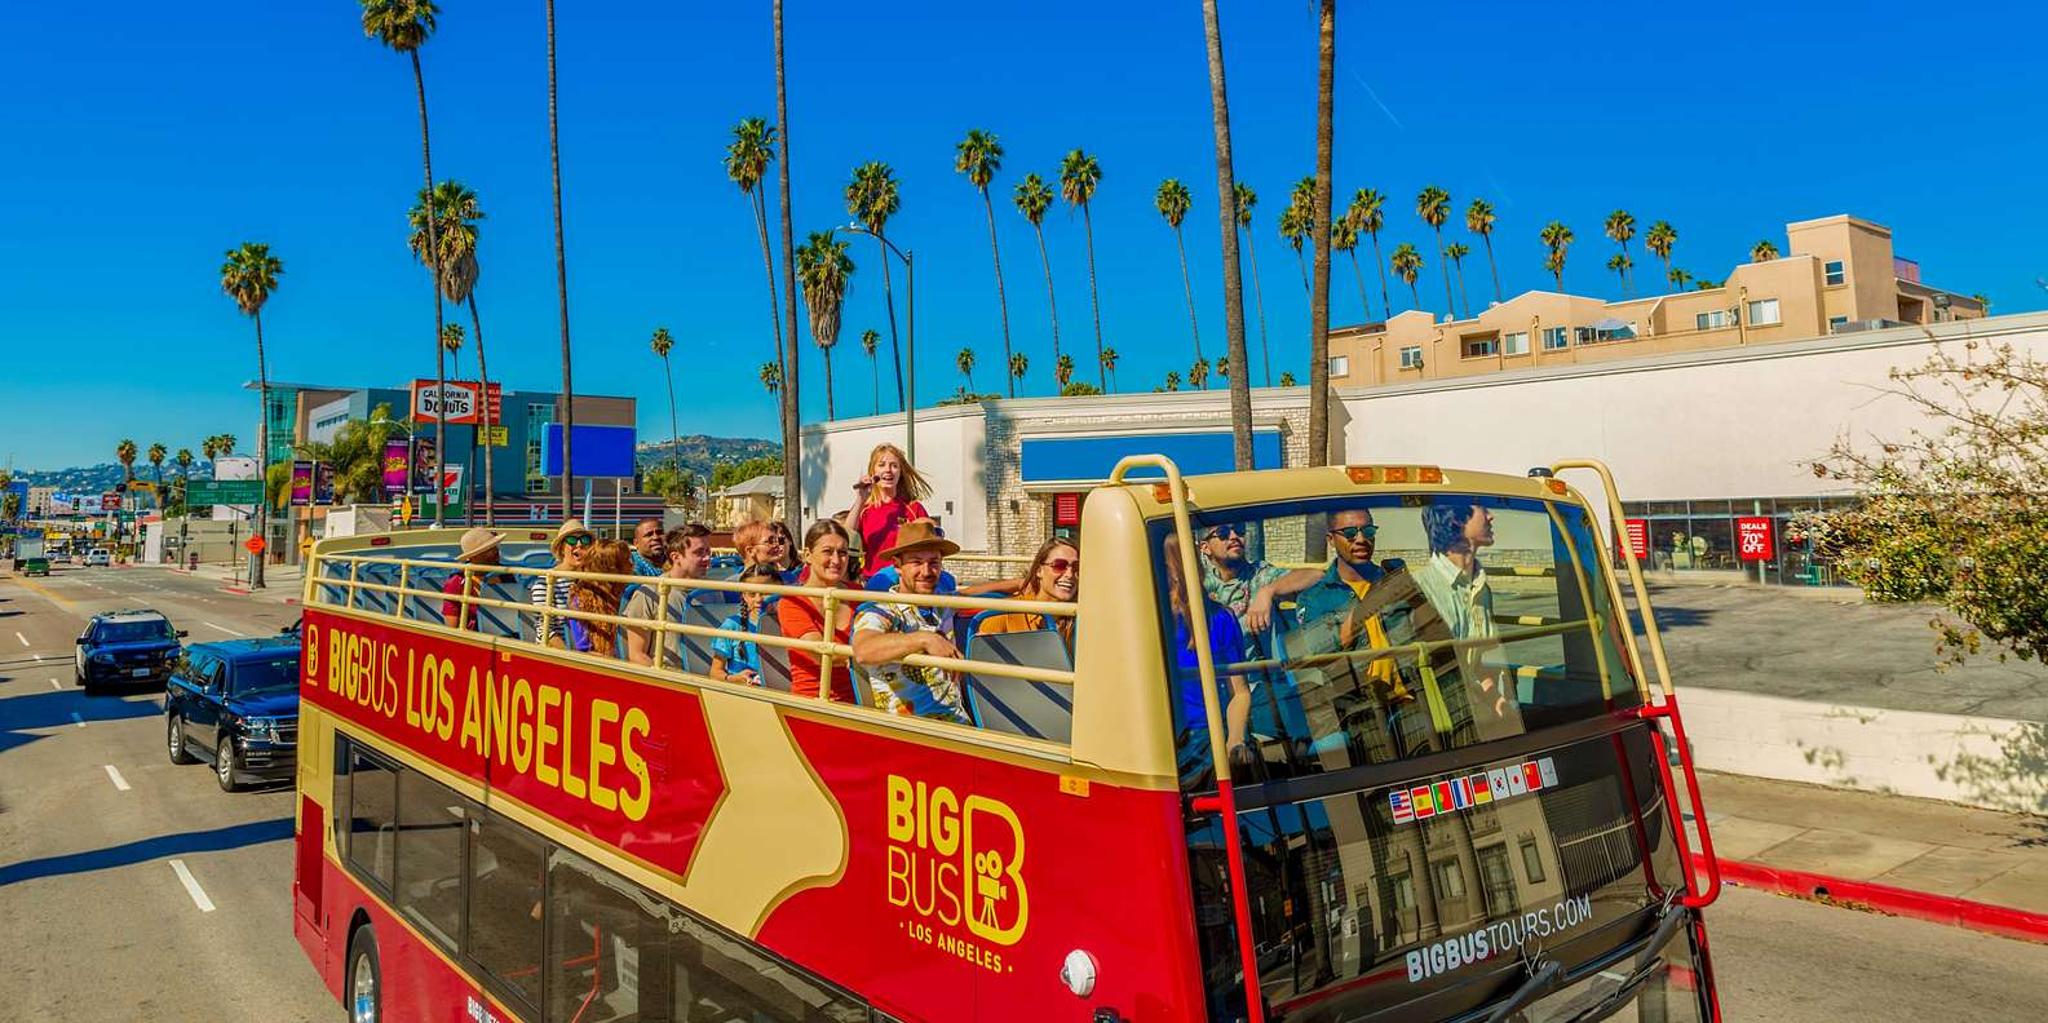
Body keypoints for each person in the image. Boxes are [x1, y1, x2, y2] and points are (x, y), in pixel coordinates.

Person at [851, 520, 971, 722]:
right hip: (911, 733)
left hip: (959, 725)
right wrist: (925, 640)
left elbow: (973, 594)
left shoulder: (942, 603)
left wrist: (1021, 584)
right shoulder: (882, 612)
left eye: (934, 563)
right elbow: (863, 649)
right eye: (916, 562)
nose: (926, 571)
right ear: (897, 565)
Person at [1162, 533, 1253, 778]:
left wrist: (1235, 740)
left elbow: (1240, 692)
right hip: (1156, 740)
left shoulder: (1220, 619)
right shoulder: (1142, 622)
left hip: (1204, 738)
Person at [776, 520, 858, 703]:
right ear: (808, 555)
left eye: (843, 553)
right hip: (815, 703)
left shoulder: (858, 594)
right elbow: (823, 654)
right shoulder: (792, 602)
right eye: (828, 552)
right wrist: (878, 651)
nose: (836, 560)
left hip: (863, 700)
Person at [624, 523, 712, 668]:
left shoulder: (713, 591)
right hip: (671, 680)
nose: (707, 558)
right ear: (676, 557)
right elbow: (636, 655)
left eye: (708, 551)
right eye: (699, 552)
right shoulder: (649, 594)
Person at [838, 443, 930, 581]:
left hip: (907, 581)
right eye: (881, 465)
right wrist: (861, 499)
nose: (888, 470)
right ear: (873, 472)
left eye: (894, 466)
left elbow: (930, 544)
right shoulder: (864, 509)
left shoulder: (914, 508)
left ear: (900, 472)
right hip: (875, 580)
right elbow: (846, 537)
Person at [977, 536, 1078, 652]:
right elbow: (981, 660)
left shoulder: (1084, 618)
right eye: (1059, 565)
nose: (1070, 574)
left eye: (1076, 567)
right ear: (1039, 571)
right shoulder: (1003, 613)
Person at [710, 563, 781, 685]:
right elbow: (715, 673)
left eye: (766, 592)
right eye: (752, 594)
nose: (758, 599)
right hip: (744, 691)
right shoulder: (732, 625)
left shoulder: (788, 623)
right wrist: (735, 678)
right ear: (744, 596)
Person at [564, 539, 633, 657]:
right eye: (625, 561)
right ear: (611, 568)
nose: (632, 565)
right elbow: (583, 650)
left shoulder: (628, 594)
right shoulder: (579, 603)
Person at [531, 519, 594, 646]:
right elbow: (546, 632)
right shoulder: (546, 581)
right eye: (571, 540)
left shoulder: (591, 580)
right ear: (561, 549)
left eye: (585, 539)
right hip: (559, 655)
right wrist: (571, 657)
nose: (579, 544)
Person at [440, 526, 513, 631]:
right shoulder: (456, 581)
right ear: (474, 556)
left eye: (495, 547)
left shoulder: (506, 574)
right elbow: (452, 627)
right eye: (489, 549)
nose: (496, 552)